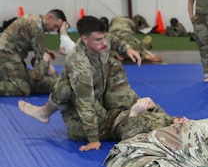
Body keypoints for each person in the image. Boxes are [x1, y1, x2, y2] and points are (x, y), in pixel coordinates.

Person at [16, 15, 146, 151]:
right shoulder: (79, 63)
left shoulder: (101, 42)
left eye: (103, 37)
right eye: (98, 40)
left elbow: (113, 40)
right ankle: (44, 112)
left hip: (98, 92)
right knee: (66, 89)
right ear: (85, 39)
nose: (104, 43)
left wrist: (127, 49)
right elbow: (86, 103)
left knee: (114, 64)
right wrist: (93, 139)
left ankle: (45, 112)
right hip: (81, 103)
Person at [0, 9, 66, 97]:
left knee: (24, 78)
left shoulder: (34, 20)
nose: (54, 30)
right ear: (50, 17)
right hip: (6, 56)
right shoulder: (37, 28)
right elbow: (38, 76)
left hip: (8, 55)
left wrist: (44, 51)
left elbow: (25, 40)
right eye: (55, 26)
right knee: (22, 88)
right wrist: (50, 70)